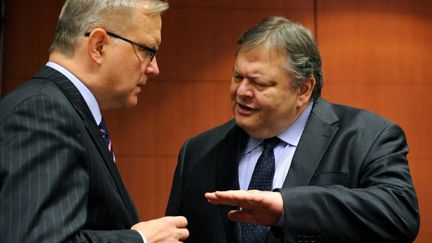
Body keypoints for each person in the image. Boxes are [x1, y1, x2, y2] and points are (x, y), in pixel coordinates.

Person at [166, 16, 419, 243]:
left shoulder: (367, 137)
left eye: (258, 82)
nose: (241, 91)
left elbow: (400, 216)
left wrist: (288, 207)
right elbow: (176, 234)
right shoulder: (198, 151)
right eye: (237, 77)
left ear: (303, 89)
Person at [0, 0, 189, 242]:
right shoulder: (42, 112)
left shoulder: (64, 110)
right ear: (98, 46)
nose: (154, 68)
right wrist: (140, 239)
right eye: (147, 51)